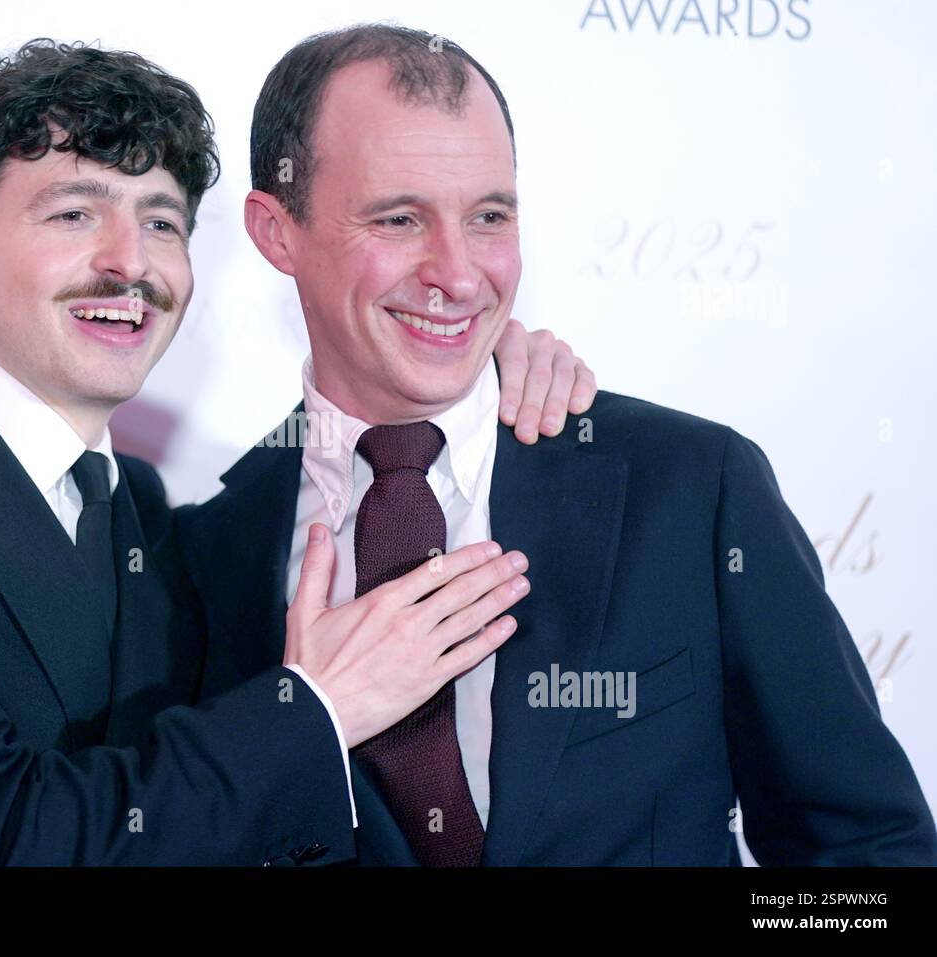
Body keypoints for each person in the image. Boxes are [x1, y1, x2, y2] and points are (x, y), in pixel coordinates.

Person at [0, 39, 586, 866]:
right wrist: (317, 709)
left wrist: (460, 365)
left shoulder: (142, 509)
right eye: (75, 212)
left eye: (162, 223)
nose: (129, 263)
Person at [174, 23, 937, 866]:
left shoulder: (691, 487)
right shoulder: (204, 555)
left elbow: (872, 856)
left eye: (489, 216)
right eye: (398, 219)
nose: (460, 275)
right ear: (278, 231)